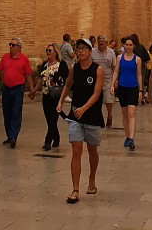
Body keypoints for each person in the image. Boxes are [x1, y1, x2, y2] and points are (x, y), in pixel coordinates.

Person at [57, 37, 104, 204]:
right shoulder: (74, 69)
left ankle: (91, 179)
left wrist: (84, 108)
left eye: (84, 48)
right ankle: (75, 189)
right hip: (75, 116)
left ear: (91, 51)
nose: (81, 51)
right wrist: (61, 101)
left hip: (92, 115)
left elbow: (97, 93)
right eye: (79, 48)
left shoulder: (97, 70)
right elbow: (68, 85)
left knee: (92, 150)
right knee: (76, 150)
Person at [0, 36, 35, 148]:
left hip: (18, 89)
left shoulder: (24, 59)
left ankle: (14, 135)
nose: (10, 47)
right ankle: (10, 135)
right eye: (10, 44)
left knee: (16, 112)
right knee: (7, 112)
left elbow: (28, 75)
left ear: (19, 47)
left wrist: (32, 89)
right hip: (6, 88)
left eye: (13, 45)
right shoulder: (5, 57)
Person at [111, 35, 141, 150]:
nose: (128, 46)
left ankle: (132, 138)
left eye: (130, 45)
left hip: (133, 88)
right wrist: (113, 84)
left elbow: (139, 75)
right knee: (124, 114)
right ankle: (127, 136)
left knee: (131, 113)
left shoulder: (137, 59)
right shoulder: (119, 57)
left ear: (133, 46)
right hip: (122, 88)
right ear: (124, 45)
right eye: (126, 44)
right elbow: (116, 72)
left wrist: (141, 90)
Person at [37, 43, 68, 149]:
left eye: (50, 50)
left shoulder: (62, 65)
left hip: (56, 96)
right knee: (49, 119)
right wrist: (34, 91)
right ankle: (57, 138)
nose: (48, 52)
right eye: (47, 50)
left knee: (53, 118)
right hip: (46, 95)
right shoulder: (45, 64)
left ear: (56, 52)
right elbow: (40, 79)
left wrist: (64, 96)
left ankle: (47, 142)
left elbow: (67, 81)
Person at [92, 34, 116, 128]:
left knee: (108, 100)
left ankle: (109, 116)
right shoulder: (93, 53)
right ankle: (98, 119)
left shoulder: (111, 53)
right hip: (96, 80)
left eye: (103, 42)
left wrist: (115, 81)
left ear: (106, 43)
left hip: (108, 79)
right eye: (99, 41)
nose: (101, 43)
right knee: (96, 100)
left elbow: (114, 67)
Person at [130, 33, 150, 104]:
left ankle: (135, 97)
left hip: (133, 66)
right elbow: (148, 57)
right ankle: (142, 98)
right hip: (142, 67)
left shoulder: (132, 48)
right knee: (141, 81)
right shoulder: (141, 47)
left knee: (134, 81)